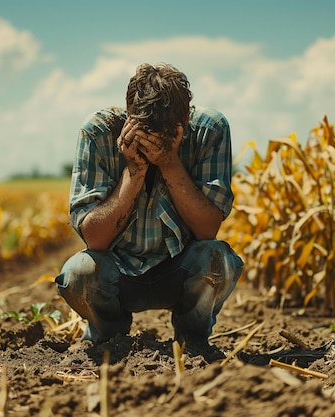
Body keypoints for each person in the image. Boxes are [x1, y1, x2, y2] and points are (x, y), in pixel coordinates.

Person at [55, 63, 243, 352]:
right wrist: (134, 171)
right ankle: (109, 339)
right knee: (78, 273)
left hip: (179, 267)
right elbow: (94, 239)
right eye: (145, 132)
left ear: (185, 119)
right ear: (129, 117)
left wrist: (169, 162)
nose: (153, 142)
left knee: (218, 259)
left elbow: (208, 229)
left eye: (165, 133)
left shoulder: (210, 130)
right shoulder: (99, 132)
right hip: (117, 272)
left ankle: (193, 341)